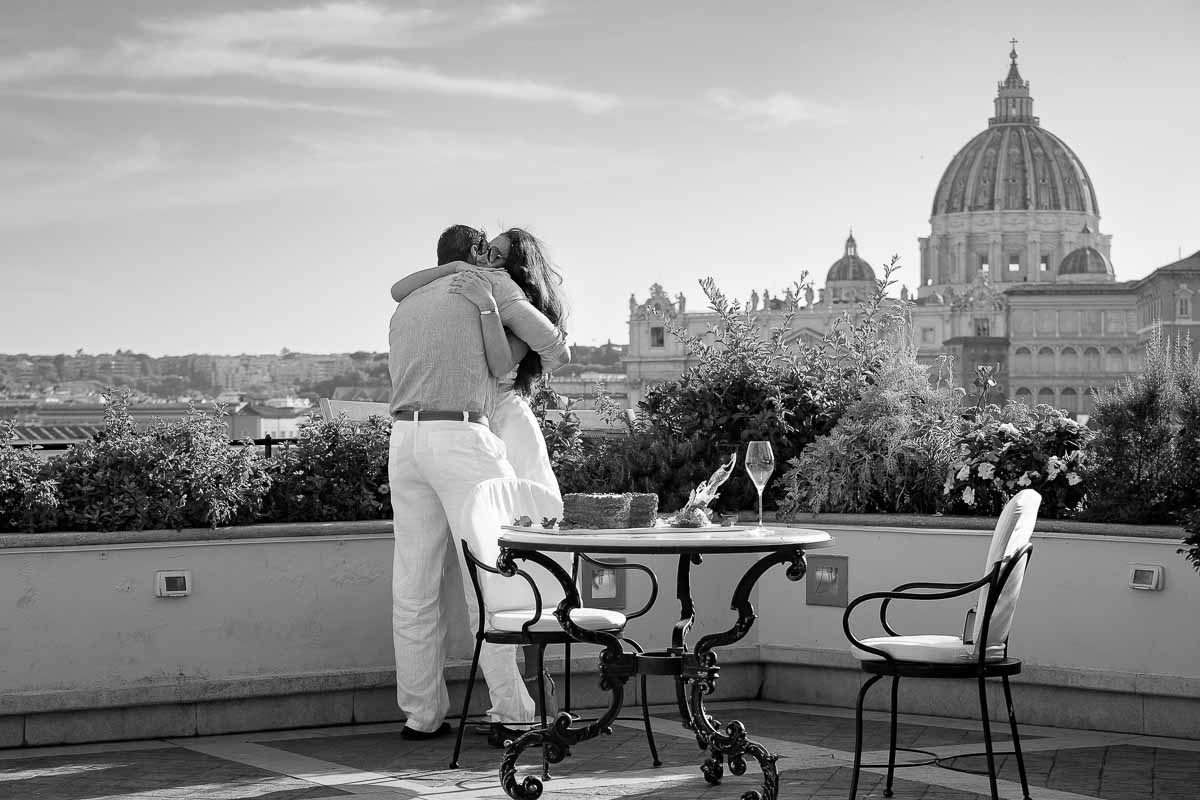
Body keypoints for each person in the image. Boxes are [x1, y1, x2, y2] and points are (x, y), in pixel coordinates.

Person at [387, 224, 570, 741]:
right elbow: (553, 344)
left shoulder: (407, 303)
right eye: (485, 249)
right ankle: (514, 711)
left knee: (413, 585)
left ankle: (421, 716)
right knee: (489, 578)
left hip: (404, 439)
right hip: (462, 436)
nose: (491, 256)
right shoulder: (491, 285)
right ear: (474, 254)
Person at [390, 227, 566, 502]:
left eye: (495, 254)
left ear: (515, 265)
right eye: (486, 250)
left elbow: (542, 356)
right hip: (475, 415)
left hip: (503, 413)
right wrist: (458, 269)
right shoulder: (469, 289)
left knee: (526, 503)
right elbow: (397, 290)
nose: (486, 258)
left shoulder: (499, 288)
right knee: (506, 510)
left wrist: (488, 306)